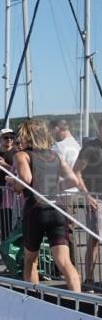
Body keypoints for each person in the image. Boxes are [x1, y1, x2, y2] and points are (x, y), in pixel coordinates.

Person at [11, 120, 95, 291]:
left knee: (30, 259)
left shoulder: (22, 155)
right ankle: (77, 299)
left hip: (35, 209)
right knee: (64, 262)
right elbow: (73, 180)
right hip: (58, 209)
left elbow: (25, 180)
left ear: (27, 135)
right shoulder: (54, 155)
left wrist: (13, 183)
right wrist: (55, 188)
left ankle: (33, 298)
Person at [73, 116, 102, 287]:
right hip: (96, 199)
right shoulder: (90, 149)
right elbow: (76, 172)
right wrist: (87, 195)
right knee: (94, 240)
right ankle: (89, 279)